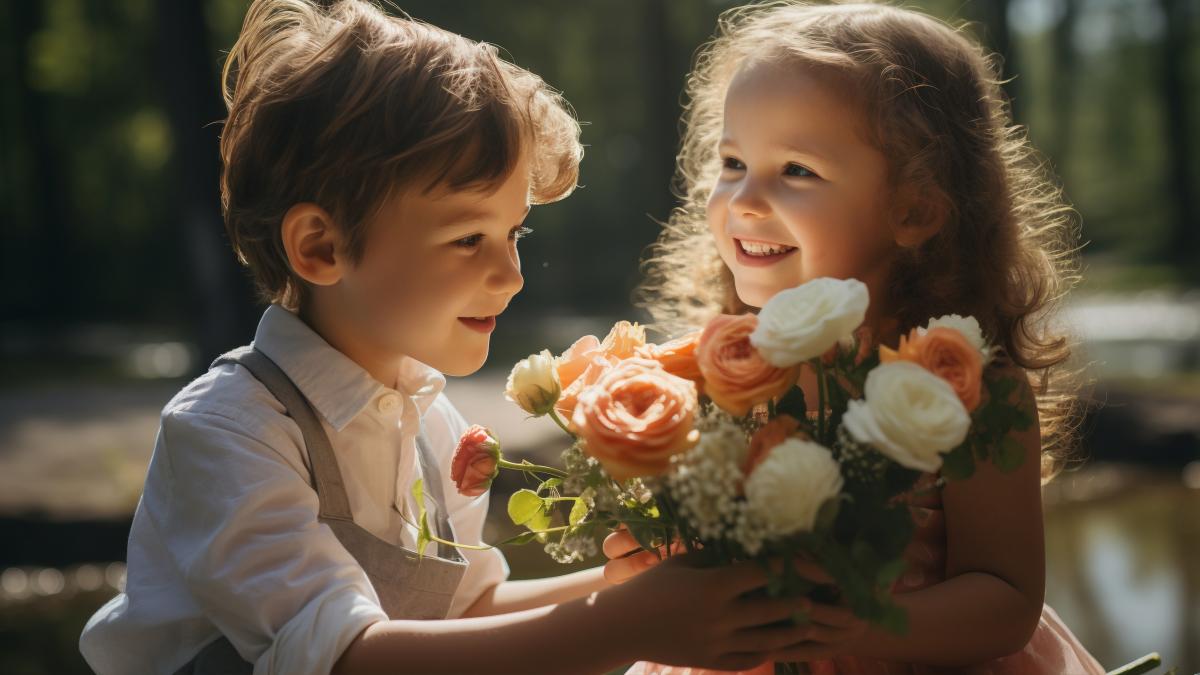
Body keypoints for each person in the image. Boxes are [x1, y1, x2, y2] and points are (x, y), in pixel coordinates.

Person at [78, 1, 838, 673]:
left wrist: (636, 580)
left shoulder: (430, 419)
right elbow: (344, 656)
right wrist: (627, 623)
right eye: (469, 237)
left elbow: (467, 614)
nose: (510, 275)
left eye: (515, 232)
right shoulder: (228, 431)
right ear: (320, 247)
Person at [612, 2, 1107, 673]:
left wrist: (842, 626)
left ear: (915, 208)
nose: (744, 199)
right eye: (731, 163)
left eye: (796, 170)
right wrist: (651, 561)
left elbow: (1006, 601)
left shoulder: (971, 396)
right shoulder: (710, 380)